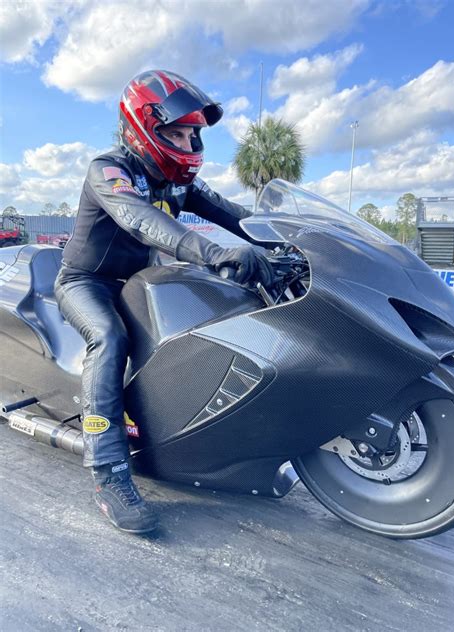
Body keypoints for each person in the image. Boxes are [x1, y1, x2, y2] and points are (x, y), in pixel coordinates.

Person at [54, 69, 274, 534]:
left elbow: (235, 215)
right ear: (141, 128)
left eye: (193, 134)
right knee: (109, 340)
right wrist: (214, 253)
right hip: (86, 282)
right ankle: (109, 474)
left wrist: (286, 241)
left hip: (140, 282)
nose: (189, 143)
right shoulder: (109, 169)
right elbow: (142, 222)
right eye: (176, 133)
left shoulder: (180, 183)